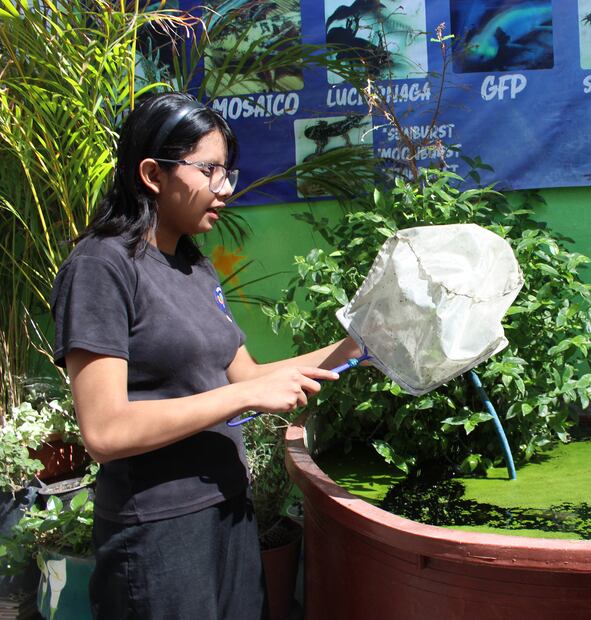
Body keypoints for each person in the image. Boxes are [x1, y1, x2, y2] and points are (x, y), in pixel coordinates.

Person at [51, 92, 361, 618]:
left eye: (228, 173)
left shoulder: (194, 266)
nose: (225, 189)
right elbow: (104, 431)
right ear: (153, 174)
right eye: (209, 170)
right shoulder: (102, 266)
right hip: (157, 531)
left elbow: (250, 376)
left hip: (226, 511)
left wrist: (360, 344)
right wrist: (240, 395)